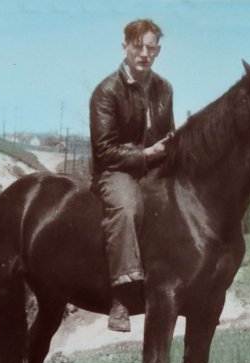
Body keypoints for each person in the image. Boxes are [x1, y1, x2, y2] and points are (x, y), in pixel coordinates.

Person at [89, 19, 175, 332]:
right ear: (124, 47)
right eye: (137, 46)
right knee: (127, 208)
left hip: (154, 168)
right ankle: (121, 298)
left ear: (158, 51)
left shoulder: (164, 88)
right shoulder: (106, 91)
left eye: (150, 48)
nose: (144, 53)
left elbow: (169, 135)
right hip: (116, 170)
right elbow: (104, 151)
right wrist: (146, 154)